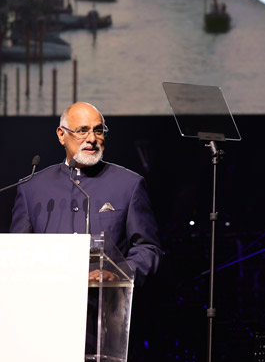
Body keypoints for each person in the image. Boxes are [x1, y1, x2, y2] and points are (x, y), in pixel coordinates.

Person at [10, 101, 162, 284]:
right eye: (82, 131)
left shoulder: (129, 184)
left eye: (98, 131)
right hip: (47, 302)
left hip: (105, 305)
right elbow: (16, 252)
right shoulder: (32, 187)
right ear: (61, 135)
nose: (92, 139)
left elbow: (147, 249)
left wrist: (118, 274)